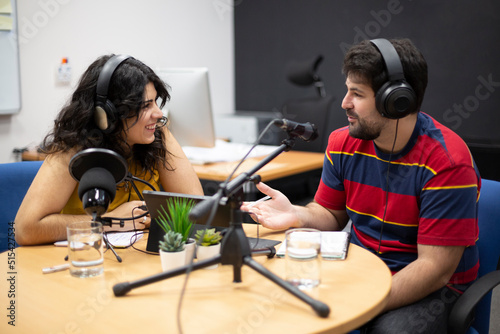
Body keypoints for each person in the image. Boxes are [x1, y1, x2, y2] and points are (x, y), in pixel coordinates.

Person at [241, 38, 480, 333]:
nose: (345, 103)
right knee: (283, 307)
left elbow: (434, 269)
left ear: (395, 101)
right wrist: (298, 214)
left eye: (357, 93)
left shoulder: (446, 162)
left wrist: (360, 302)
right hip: (363, 269)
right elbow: (330, 213)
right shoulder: (343, 143)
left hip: (432, 288)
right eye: (347, 90)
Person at [15, 55, 203, 246]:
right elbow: (26, 229)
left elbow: (196, 208)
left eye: (155, 102)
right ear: (108, 114)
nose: (158, 113)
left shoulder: (156, 134)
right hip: (83, 261)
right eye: (146, 105)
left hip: (136, 259)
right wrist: (110, 221)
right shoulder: (74, 148)